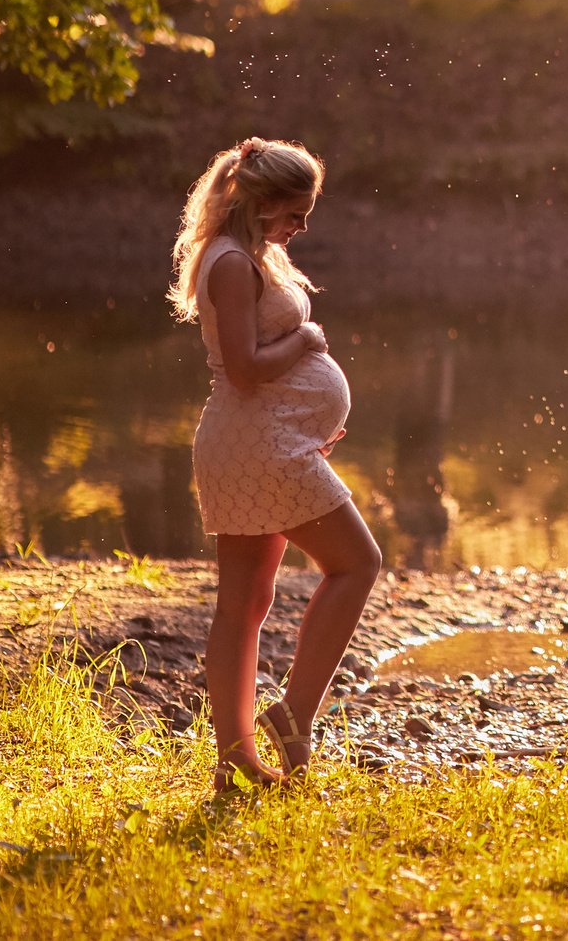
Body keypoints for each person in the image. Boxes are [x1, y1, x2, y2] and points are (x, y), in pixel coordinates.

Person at [169, 137, 382, 793]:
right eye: (296, 210)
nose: (302, 224)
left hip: (261, 440)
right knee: (357, 563)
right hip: (257, 444)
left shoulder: (252, 252)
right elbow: (245, 367)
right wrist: (308, 340)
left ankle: (235, 760)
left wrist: (307, 415)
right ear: (260, 201)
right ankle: (293, 715)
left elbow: (262, 372)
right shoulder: (231, 262)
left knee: (245, 602)